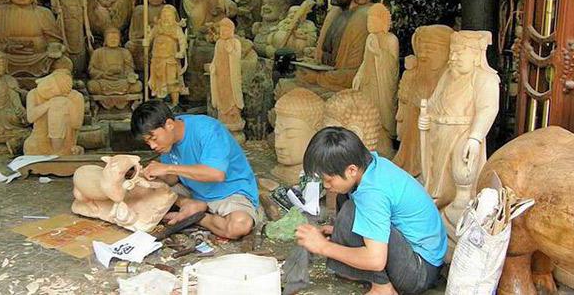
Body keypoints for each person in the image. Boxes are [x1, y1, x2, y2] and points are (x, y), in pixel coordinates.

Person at [296, 127, 447, 295]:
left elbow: (376, 260)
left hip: (419, 270)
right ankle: (368, 273)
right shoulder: (372, 165)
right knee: (344, 198)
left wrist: (323, 246)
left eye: (329, 179)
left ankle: (382, 287)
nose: (325, 185)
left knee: (351, 211)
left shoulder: (372, 194)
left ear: (351, 170)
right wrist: (338, 230)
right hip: (424, 259)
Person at [131, 100, 259, 239]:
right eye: (147, 142)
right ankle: (188, 204)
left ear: (169, 124)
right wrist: (151, 174)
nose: (152, 146)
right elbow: (173, 179)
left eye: (153, 138)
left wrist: (167, 168)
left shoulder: (208, 130)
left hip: (229, 193)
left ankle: (198, 217)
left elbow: (216, 174)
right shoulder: (167, 141)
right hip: (193, 191)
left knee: (239, 226)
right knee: (140, 189)